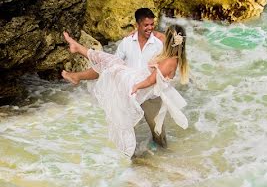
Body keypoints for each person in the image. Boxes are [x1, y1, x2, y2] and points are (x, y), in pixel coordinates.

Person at [61, 24, 190, 157]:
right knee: (109, 62)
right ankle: (78, 51)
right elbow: (158, 35)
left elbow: (150, 81)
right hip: (138, 79)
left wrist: (136, 86)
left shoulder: (169, 62)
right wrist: (138, 31)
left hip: (138, 84)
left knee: (110, 63)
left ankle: (78, 51)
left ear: (169, 40)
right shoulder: (174, 55)